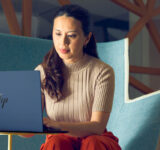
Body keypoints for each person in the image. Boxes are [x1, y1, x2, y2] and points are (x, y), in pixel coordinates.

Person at [23, 4, 121, 150]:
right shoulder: (42, 72)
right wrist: (15, 121)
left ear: (86, 38)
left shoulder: (102, 72)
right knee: (56, 143)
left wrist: (58, 125)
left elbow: (98, 126)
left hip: (96, 142)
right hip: (59, 141)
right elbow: (27, 133)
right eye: (58, 34)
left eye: (71, 35)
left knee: (93, 143)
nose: (63, 42)